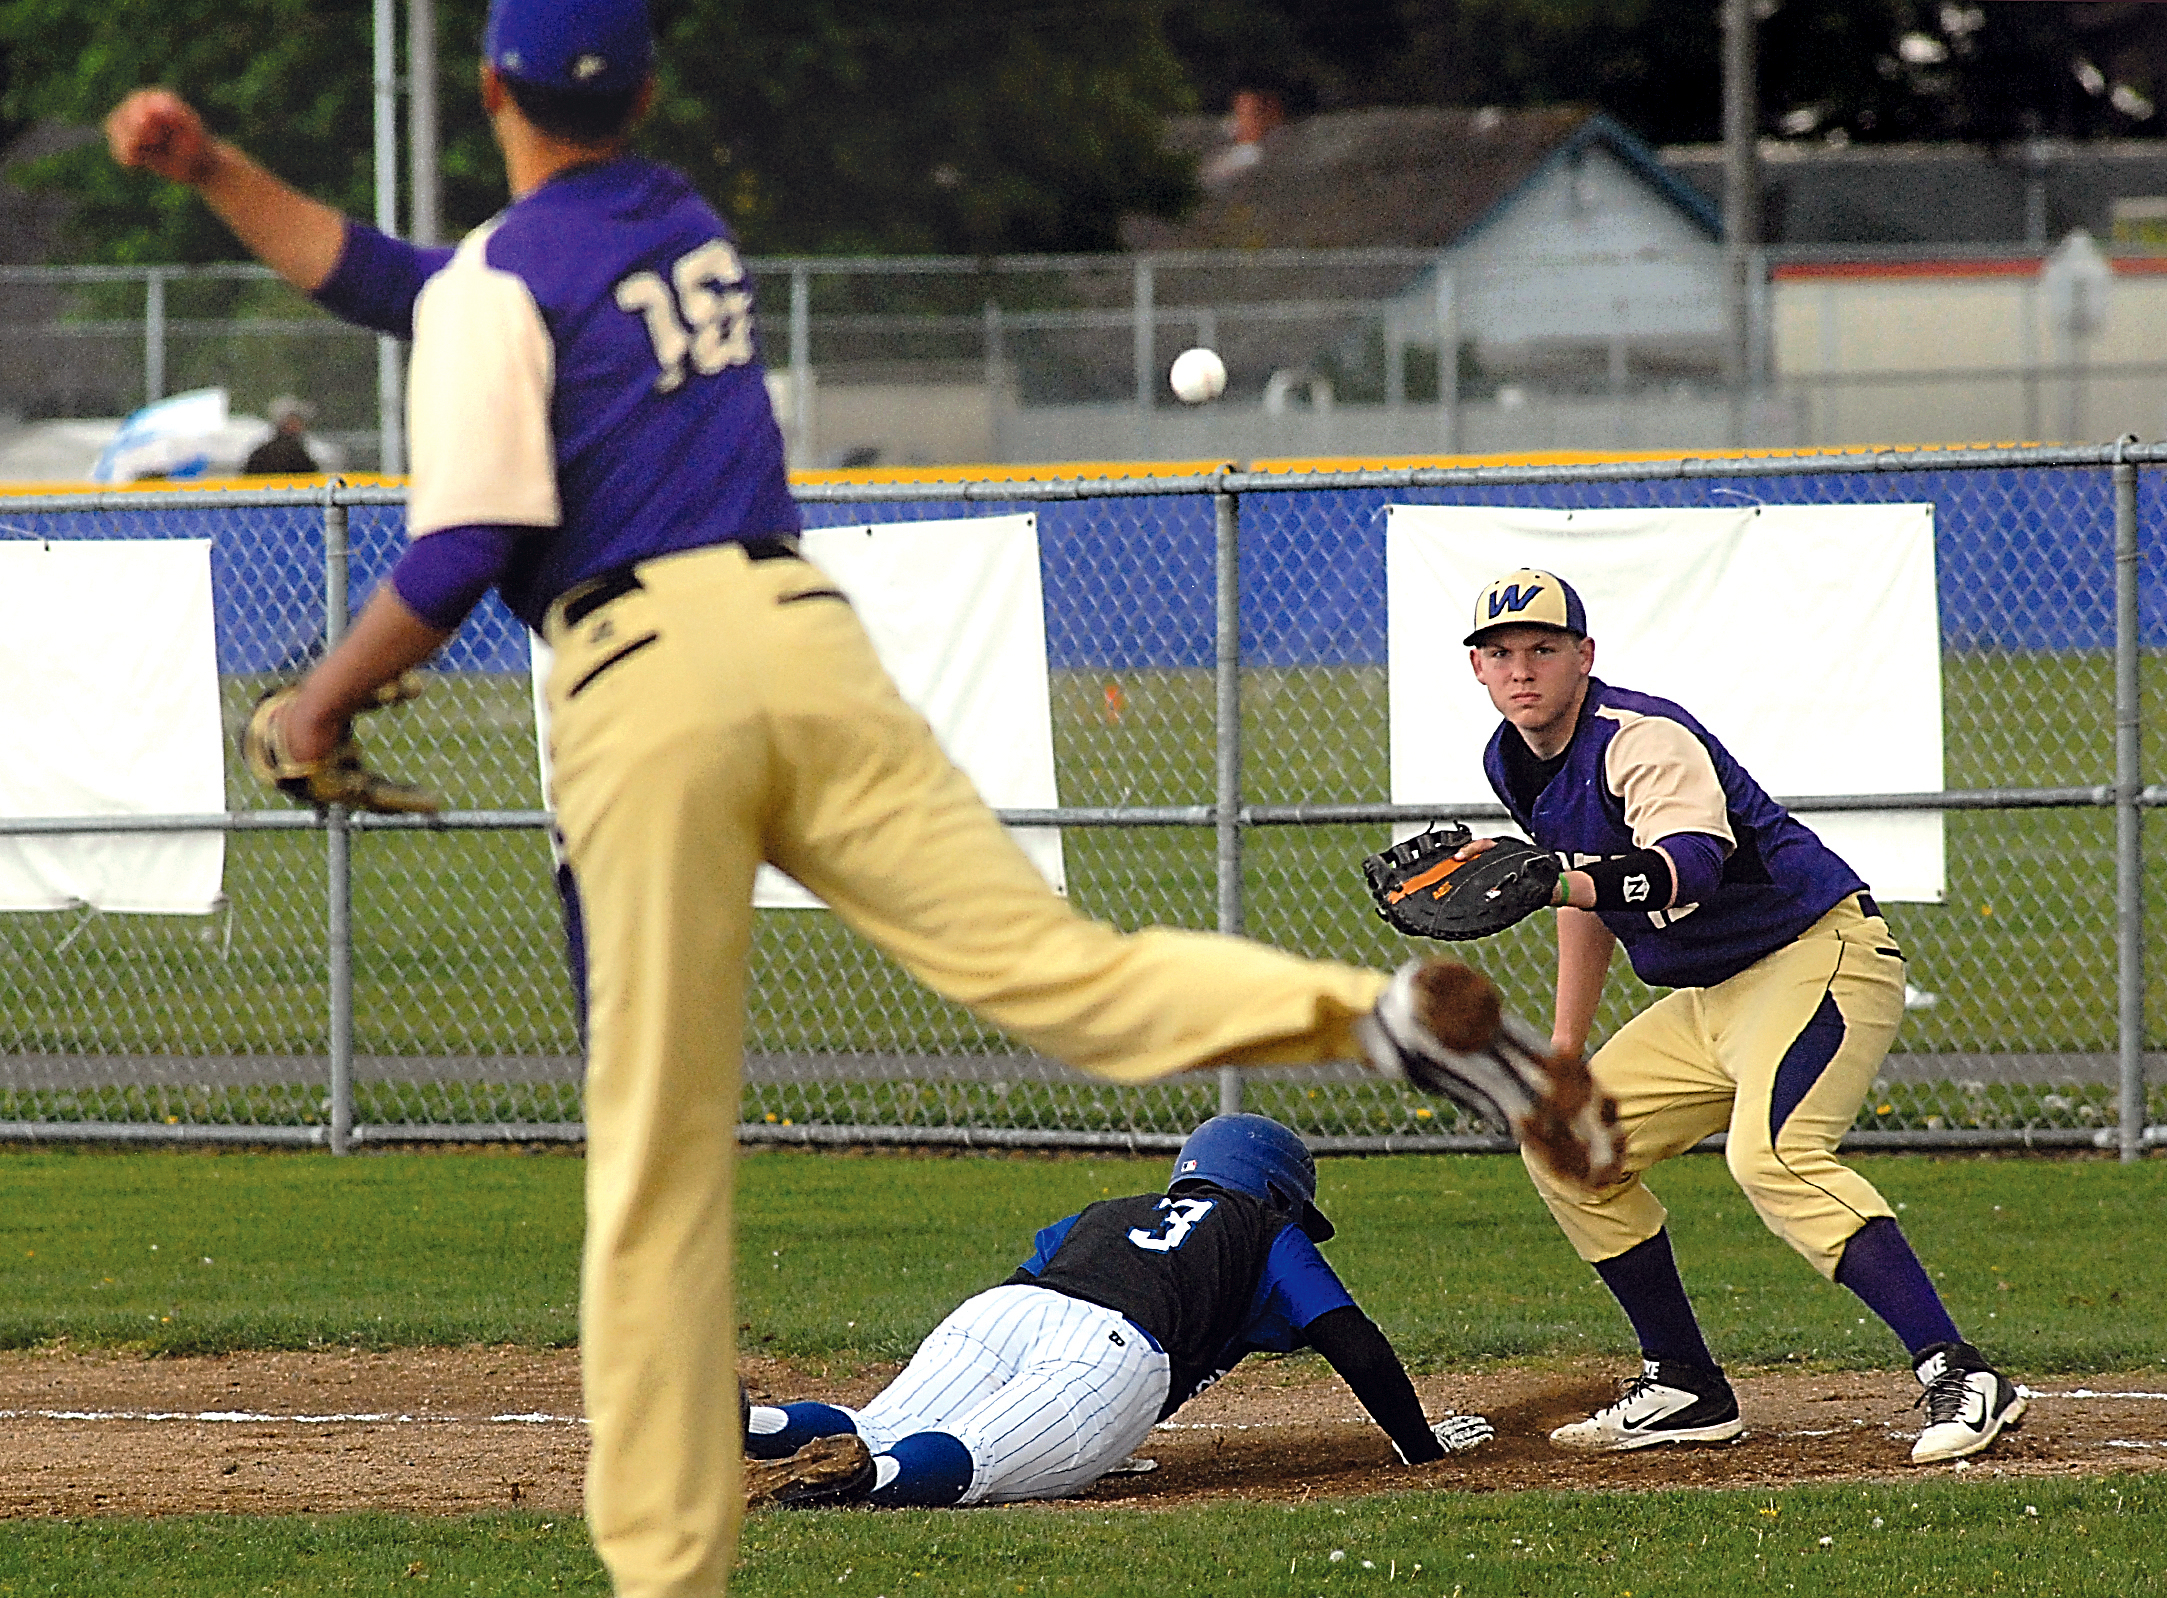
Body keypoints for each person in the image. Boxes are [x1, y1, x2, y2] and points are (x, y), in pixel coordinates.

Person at [102, 9, 1577, 1592]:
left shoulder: (493, 291)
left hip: (638, 680)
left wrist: (313, 701)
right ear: (644, 94)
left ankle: (668, 1572)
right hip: (807, 643)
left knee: (654, 1170)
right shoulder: (684, 225)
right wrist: (219, 175)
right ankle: (1375, 1018)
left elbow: (465, 540)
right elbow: (403, 285)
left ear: (484, 94)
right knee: (1057, 971)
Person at [1456, 567, 2024, 1466]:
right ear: (1479, 672)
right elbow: (1581, 900)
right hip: (1708, 999)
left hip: (1813, 957)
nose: (1520, 669)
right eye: (1498, 653)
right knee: (1562, 1141)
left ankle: (1959, 1371)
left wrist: (1562, 878)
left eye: (1542, 648)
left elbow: (1689, 868)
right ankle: (1684, 1382)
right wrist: (1563, 1050)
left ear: (1583, 657)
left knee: (1773, 1156)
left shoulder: (1641, 738)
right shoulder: (1510, 758)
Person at [742, 1114, 1493, 1510]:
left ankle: (751, 1425)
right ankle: (852, 1489)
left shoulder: (1110, 1208)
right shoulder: (1268, 1233)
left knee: (875, 1423)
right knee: (972, 1459)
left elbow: (1022, 1294)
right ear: (1278, 1194)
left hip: (1005, 1311)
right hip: (1111, 1351)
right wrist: (1418, 1448)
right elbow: (1353, 1344)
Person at [243, 395, 319, 474]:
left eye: (299, 421)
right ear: (282, 423)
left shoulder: (302, 454)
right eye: (293, 421)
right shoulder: (264, 455)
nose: (297, 426)